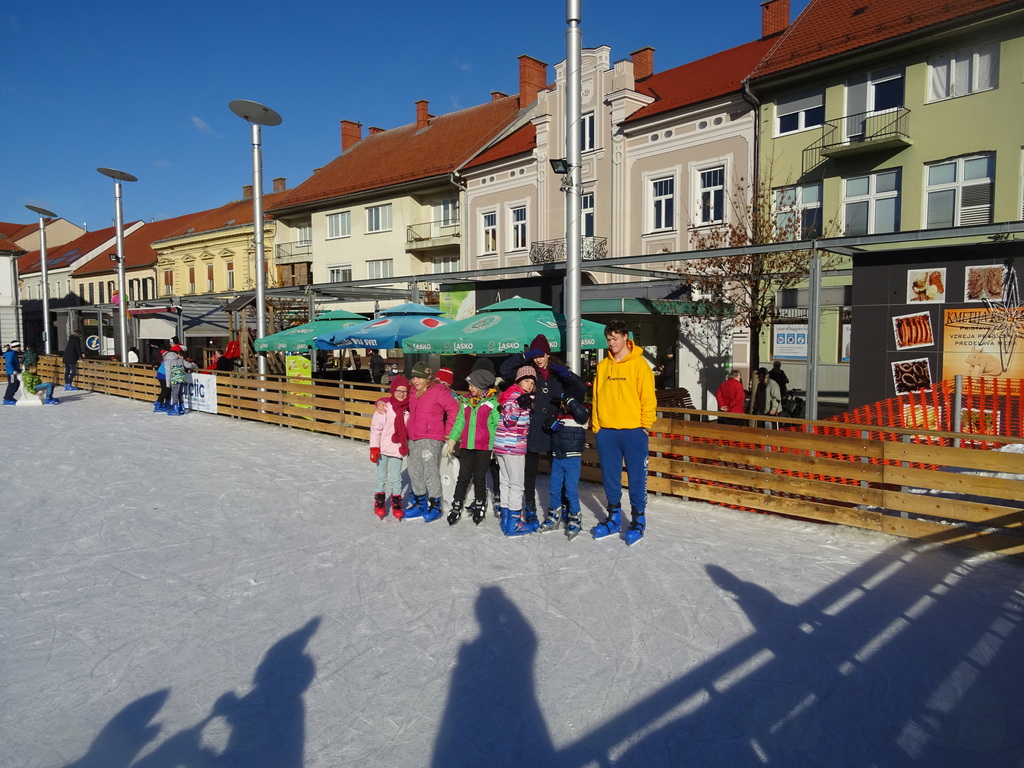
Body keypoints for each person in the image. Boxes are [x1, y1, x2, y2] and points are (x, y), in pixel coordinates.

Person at [498, 334, 586, 520]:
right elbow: (504, 370)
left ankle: (562, 506)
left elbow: (581, 388)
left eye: (542, 355)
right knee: (530, 472)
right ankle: (530, 507)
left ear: (548, 354)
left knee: (558, 473)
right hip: (532, 429)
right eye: (535, 355)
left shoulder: (557, 374)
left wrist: (568, 375)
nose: (538, 359)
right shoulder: (529, 373)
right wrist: (524, 356)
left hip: (554, 429)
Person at [591, 320, 656, 546]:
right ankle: (614, 517)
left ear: (625, 337)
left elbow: (648, 398)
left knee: (637, 477)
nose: (611, 343)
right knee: (610, 478)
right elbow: (596, 397)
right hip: (607, 431)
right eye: (608, 339)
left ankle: (638, 519)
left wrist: (645, 425)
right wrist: (597, 426)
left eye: (615, 339)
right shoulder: (603, 366)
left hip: (633, 431)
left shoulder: (640, 365)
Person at [444, 365, 499, 526]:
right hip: (467, 445)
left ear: (481, 387)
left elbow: (496, 426)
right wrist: (453, 439)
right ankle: (457, 504)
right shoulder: (466, 402)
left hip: (484, 447)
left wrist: (495, 446)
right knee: (463, 477)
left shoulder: (492, 403)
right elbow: (460, 422)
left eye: (472, 385)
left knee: (479, 477)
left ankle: (480, 503)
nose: (469, 388)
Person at [404, 361, 458, 522]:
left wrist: (449, 432)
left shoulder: (438, 391)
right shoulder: (412, 391)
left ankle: (435, 505)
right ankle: (420, 503)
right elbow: (396, 400)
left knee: (429, 471)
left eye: (419, 378)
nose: (416, 381)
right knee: (414, 470)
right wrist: (380, 402)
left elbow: (454, 409)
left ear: (428, 378)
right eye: (414, 377)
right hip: (414, 436)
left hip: (431, 437)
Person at [538, 391, 591, 541]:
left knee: (570, 490)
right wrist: (548, 426)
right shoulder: (560, 415)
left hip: (572, 459)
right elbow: (548, 429)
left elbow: (580, 413)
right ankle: (554, 515)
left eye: (567, 403)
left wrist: (569, 400)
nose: (565, 406)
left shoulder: (582, 414)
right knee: (554, 488)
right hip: (557, 457)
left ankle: (575, 517)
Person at [494, 366, 537, 536]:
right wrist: (520, 404)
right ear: (518, 380)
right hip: (513, 446)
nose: (529, 385)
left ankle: (506, 519)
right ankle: (515, 522)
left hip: (502, 445)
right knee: (517, 484)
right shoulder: (516, 395)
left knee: (505, 481)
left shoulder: (510, 394)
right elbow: (510, 419)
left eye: (532, 382)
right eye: (526, 381)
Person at [369, 375, 410, 520]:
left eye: (404, 391)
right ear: (393, 391)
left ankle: (396, 501)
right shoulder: (385, 407)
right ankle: (380, 500)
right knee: (381, 476)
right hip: (383, 449)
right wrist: (374, 448)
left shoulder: (408, 409)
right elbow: (376, 429)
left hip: (397, 449)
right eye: (399, 390)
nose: (401, 394)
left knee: (396, 478)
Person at [164, 345, 196, 416]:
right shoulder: (180, 360)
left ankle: (176, 409)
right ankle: (182, 408)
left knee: (175, 393)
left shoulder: (168, 362)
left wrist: (168, 384)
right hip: (182, 378)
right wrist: (194, 366)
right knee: (180, 393)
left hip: (175, 379)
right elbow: (189, 365)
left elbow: (168, 373)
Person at [3, 340, 23, 404]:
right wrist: (13, 370)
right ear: (14, 347)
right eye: (18, 347)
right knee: (12, 385)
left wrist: (18, 370)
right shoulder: (11, 353)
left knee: (16, 384)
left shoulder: (13, 353)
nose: (19, 348)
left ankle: (10, 397)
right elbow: (9, 363)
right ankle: (7, 398)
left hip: (15, 372)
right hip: (11, 373)